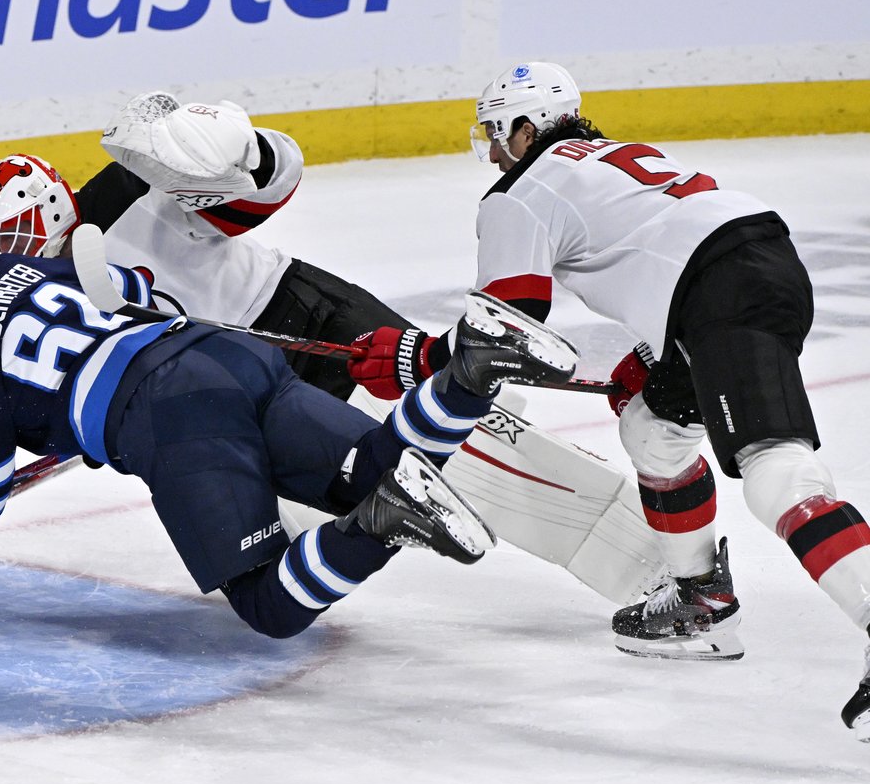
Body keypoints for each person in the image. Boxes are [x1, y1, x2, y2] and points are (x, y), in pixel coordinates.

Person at [354, 60, 870, 733]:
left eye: (496, 132)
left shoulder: (523, 189)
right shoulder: (607, 156)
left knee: (777, 470)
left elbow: (506, 324)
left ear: (526, 125)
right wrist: (657, 353)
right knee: (652, 428)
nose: (490, 148)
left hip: (721, 290)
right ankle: (700, 600)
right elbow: (660, 245)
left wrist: (413, 356)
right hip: (745, 269)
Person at [0, 230, 578, 641]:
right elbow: (131, 287)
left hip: (172, 416)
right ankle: (472, 369)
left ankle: (386, 523)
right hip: (223, 354)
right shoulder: (11, 268)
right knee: (379, 465)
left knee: (268, 603)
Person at [0, 93, 449, 401]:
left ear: (50, 206)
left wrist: (244, 154)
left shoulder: (128, 187)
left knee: (450, 393)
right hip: (241, 376)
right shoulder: (43, 288)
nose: (12, 251)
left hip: (301, 308)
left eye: (13, 233)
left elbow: (259, 197)